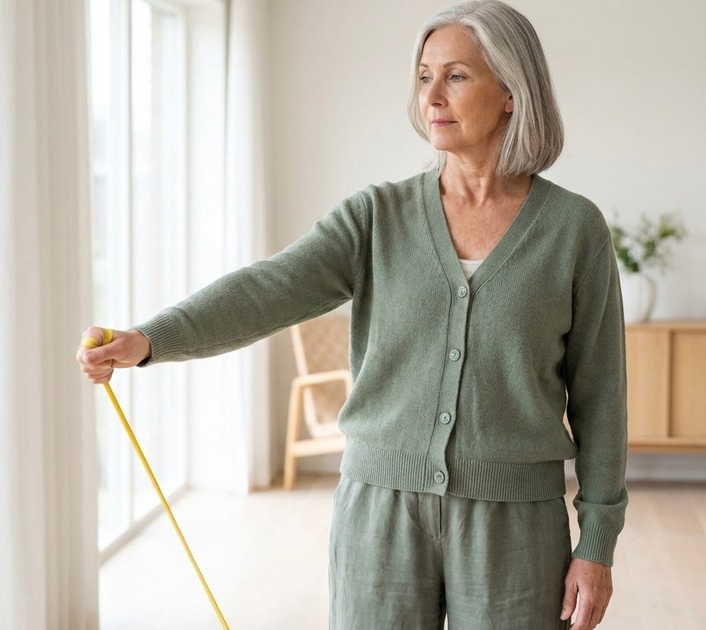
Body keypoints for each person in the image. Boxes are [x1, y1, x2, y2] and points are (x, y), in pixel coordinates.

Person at [77, 1, 627, 628]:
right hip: (379, 512)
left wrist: (597, 542)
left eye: (456, 76)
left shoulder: (572, 230)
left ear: (510, 91)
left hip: (516, 520)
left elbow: (600, 396)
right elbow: (267, 288)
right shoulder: (377, 217)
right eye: (424, 76)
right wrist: (150, 339)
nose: (433, 97)